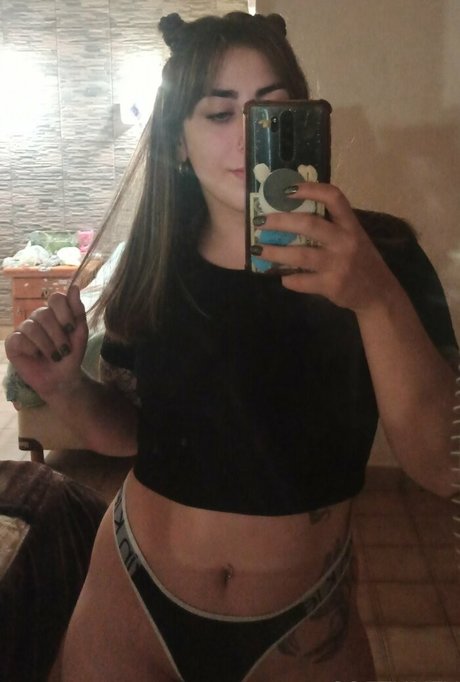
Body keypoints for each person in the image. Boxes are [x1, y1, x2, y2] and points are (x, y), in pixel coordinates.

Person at [5, 11, 458, 682]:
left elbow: (444, 466)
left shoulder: (383, 258)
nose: (248, 136)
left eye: (271, 112)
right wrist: (67, 387)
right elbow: (133, 437)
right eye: (220, 114)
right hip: (132, 592)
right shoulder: (155, 269)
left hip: (304, 620)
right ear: (178, 145)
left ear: (308, 120)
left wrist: (374, 298)